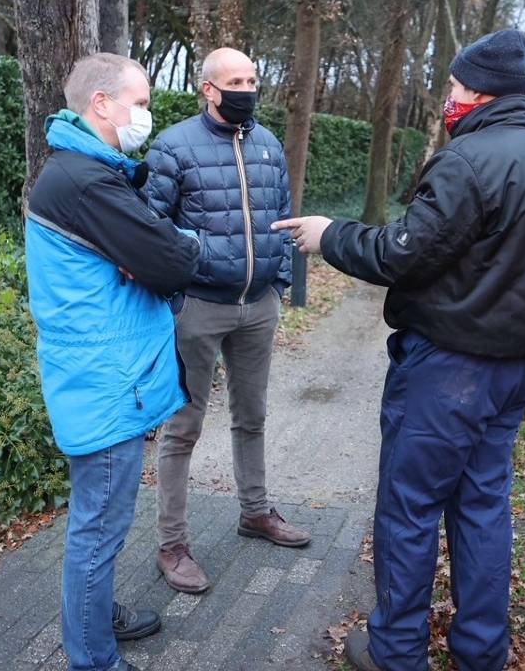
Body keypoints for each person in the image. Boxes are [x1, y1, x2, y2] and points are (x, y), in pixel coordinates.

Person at [273, 29, 525, 671]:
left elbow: (403, 255)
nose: (446, 96)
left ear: (476, 90)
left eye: (451, 85)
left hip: (451, 371)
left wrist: (330, 235)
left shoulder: (466, 161)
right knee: (483, 507)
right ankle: (479, 652)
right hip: (518, 369)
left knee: (410, 507)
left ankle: (396, 650)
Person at [25, 52, 200, 671]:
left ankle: (95, 618)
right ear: (101, 104)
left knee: (102, 525)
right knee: (97, 530)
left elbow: (154, 256)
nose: (147, 114)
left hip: (106, 377)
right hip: (103, 385)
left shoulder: (90, 172)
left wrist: (155, 253)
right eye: (142, 101)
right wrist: (179, 248)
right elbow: (174, 263)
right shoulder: (85, 182)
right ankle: (93, 657)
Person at [144, 47, 310, 595]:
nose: (247, 87)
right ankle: (172, 543)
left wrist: (280, 285)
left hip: (258, 305)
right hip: (199, 306)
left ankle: (254, 512)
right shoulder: (173, 145)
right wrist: (179, 288)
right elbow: (151, 228)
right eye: (234, 80)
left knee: (253, 416)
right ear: (209, 90)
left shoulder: (266, 144)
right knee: (183, 426)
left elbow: (285, 218)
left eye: (253, 77)